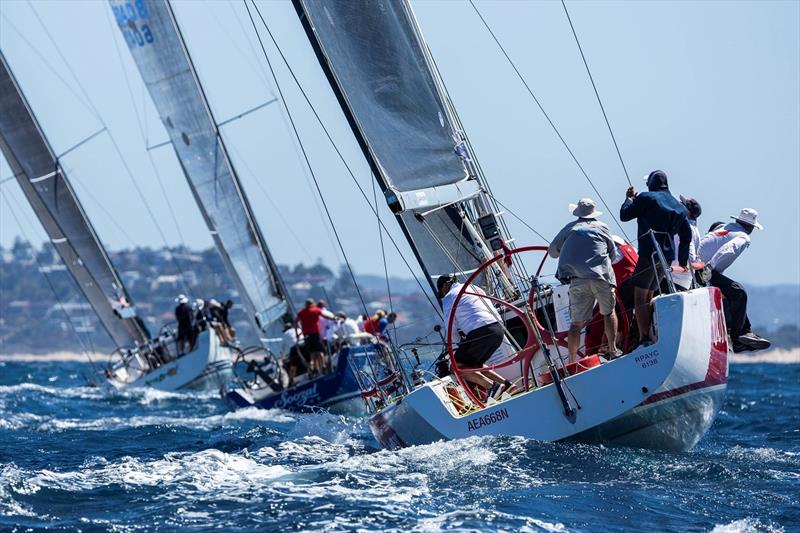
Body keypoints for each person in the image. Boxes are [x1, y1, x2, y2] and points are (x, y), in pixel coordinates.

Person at [620, 170, 692, 347]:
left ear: (651, 184)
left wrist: (629, 199)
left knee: (639, 296)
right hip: (666, 257)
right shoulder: (679, 207)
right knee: (649, 294)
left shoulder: (646, 198)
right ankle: (650, 336)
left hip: (648, 255)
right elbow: (686, 236)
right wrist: (682, 261)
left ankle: (644, 338)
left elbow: (624, 215)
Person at [549, 198, 620, 361]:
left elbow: (552, 252)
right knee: (608, 313)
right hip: (601, 277)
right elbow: (613, 254)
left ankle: (572, 361)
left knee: (576, 323)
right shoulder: (603, 227)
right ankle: (613, 349)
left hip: (578, 280)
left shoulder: (570, 228)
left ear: (578, 212)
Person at [698, 208, 771, 353]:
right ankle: (738, 338)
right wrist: (710, 267)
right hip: (702, 269)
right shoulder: (743, 236)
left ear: (738, 220)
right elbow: (728, 249)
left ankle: (744, 331)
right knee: (739, 292)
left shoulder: (725, 228)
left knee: (731, 293)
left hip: (692, 265)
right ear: (751, 227)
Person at [438, 275, 511, 399]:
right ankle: (507, 385)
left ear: (445, 285)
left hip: (481, 331)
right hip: (498, 329)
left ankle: (492, 386)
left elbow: (450, 326)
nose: (443, 294)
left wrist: (455, 346)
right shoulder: (474, 288)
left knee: (456, 366)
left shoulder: (449, 296)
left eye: (442, 292)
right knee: (474, 364)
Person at [584, 235, 638, 355]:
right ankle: (612, 345)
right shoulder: (627, 246)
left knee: (602, 316)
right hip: (637, 286)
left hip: (623, 290)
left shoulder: (605, 253)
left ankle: (606, 348)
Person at [670, 196, 703, 291]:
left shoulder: (685, 227)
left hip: (673, 279)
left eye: (682, 204)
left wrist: (673, 268)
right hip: (683, 282)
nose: (679, 204)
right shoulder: (695, 230)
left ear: (688, 212)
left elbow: (690, 256)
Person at [296, 299, 336, 375]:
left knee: (312, 353)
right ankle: (323, 366)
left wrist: (297, 334)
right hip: (315, 334)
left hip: (307, 336)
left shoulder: (301, 312)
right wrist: (334, 318)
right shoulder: (315, 310)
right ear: (312, 304)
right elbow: (326, 316)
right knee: (320, 351)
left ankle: (314, 369)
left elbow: (295, 322)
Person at [280, 322, 306, 386]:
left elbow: (282, 350)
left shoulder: (285, 334)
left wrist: (282, 358)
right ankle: (313, 372)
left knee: (293, 366)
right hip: (304, 345)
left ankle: (291, 381)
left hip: (295, 348)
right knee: (309, 358)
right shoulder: (298, 329)